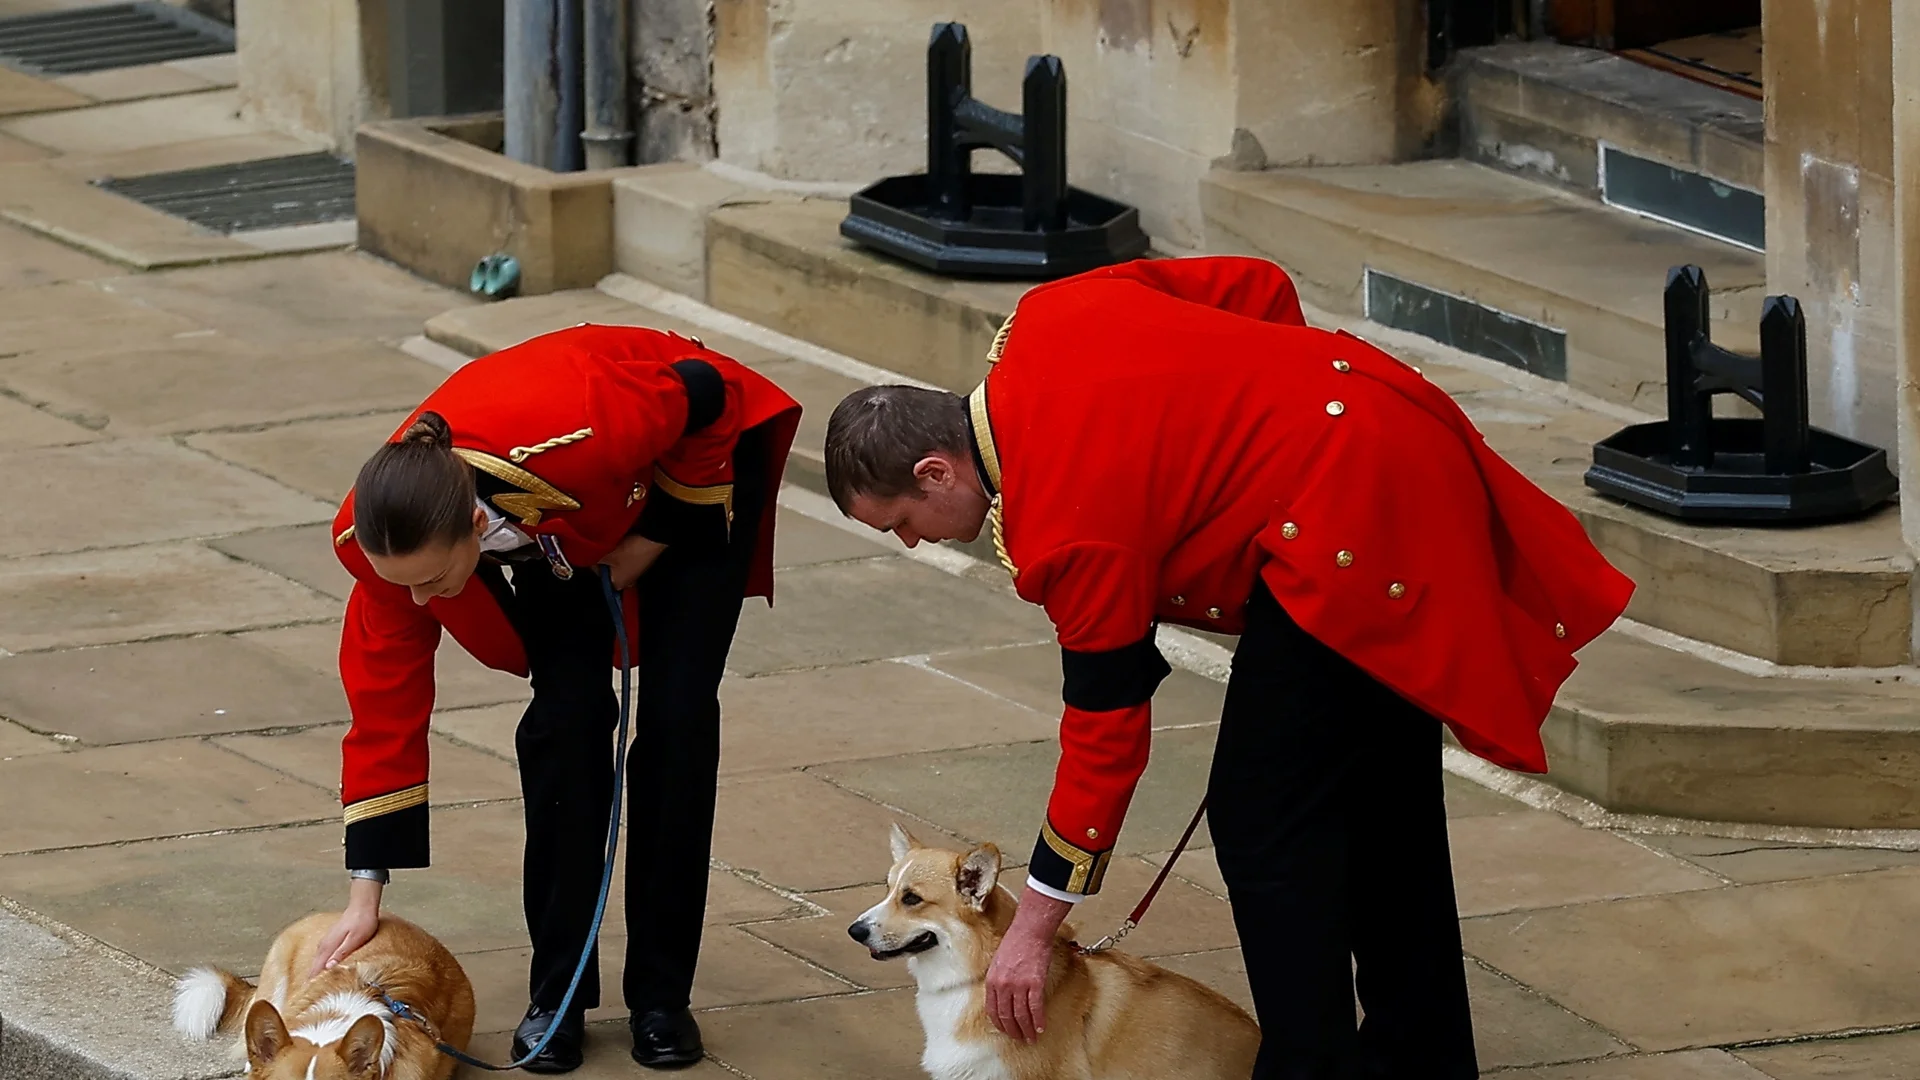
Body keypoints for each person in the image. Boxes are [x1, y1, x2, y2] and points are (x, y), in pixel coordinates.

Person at [820, 256, 1634, 1079]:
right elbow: (1257, 285)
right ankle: (1419, 1058)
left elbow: (1106, 738)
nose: (915, 542)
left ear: (935, 470)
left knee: (1264, 828)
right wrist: (1277, 426)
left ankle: (1307, 1066)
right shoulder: (1044, 316)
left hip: (1347, 532)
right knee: (1384, 800)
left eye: (905, 523)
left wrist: (1029, 933)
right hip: (1387, 424)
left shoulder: (1064, 530)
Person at [318, 323, 801, 1073]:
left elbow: (709, 397)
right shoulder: (384, 543)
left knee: (677, 723)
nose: (413, 598)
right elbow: (382, 710)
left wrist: (655, 538)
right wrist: (364, 894)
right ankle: (559, 997)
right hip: (562, 532)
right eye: (401, 580)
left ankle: (662, 999)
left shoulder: (583, 422)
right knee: (564, 726)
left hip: (682, 477)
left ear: (474, 524)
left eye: (428, 579)